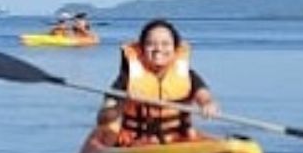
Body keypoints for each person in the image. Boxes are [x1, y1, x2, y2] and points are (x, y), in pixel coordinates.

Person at [92, 18, 220, 146]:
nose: (158, 49)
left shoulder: (188, 75)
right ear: (142, 49)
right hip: (136, 144)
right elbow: (102, 118)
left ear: (175, 49)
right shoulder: (126, 79)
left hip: (179, 142)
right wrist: (124, 103)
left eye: (165, 44)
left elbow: (204, 96)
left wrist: (208, 105)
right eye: (150, 44)